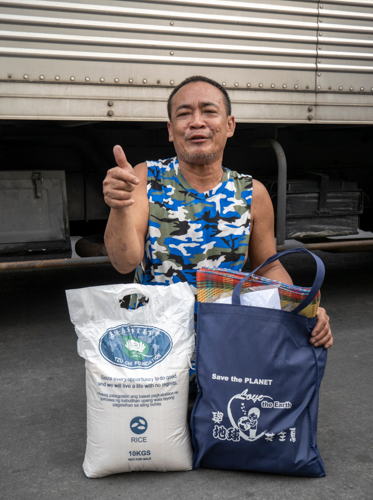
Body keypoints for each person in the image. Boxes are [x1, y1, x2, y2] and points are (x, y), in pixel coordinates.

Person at [103, 75, 333, 349]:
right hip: (157, 343)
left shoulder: (252, 192)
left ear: (229, 125)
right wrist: (119, 207)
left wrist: (302, 307)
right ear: (170, 129)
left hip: (227, 344)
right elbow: (124, 263)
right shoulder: (146, 178)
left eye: (209, 111)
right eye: (184, 114)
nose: (197, 122)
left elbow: (269, 266)